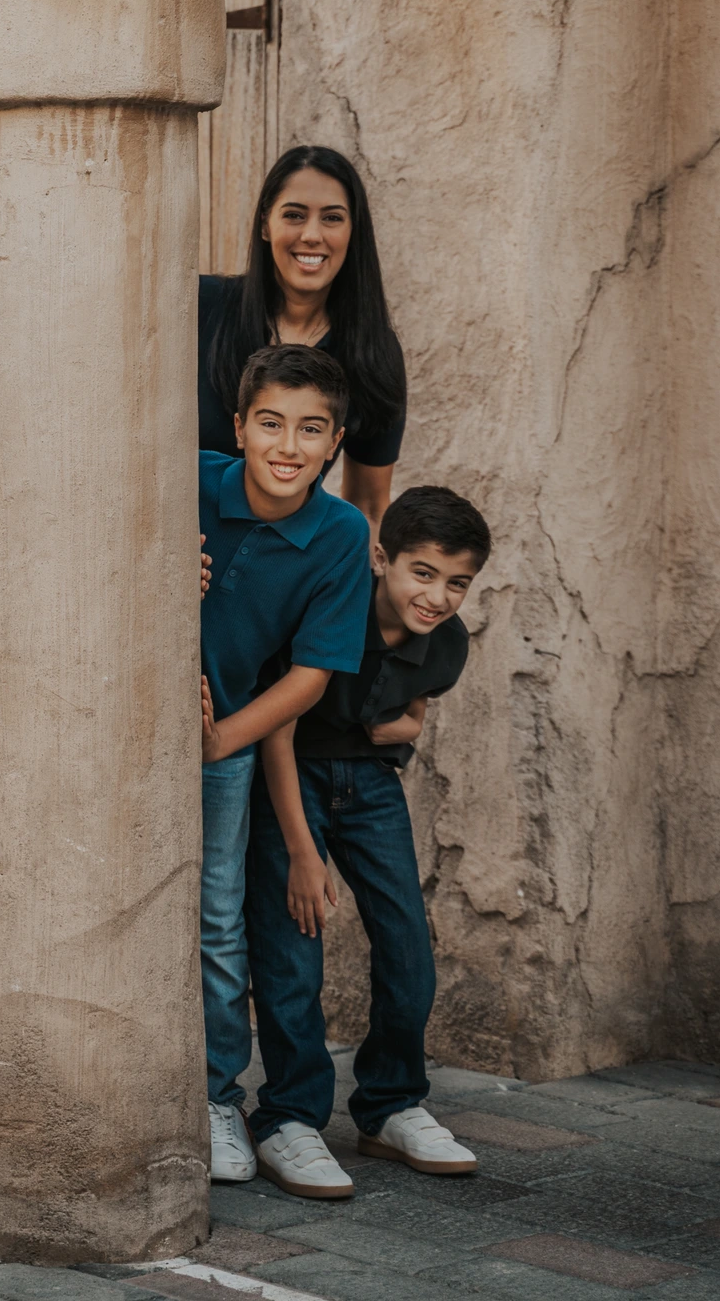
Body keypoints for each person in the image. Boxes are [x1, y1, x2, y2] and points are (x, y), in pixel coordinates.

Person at [243, 486, 492, 1199]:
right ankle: (287, 1117)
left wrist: (408, 726)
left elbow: (415, 695)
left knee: (408, 946)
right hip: (290, 777)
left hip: (370, 785)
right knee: (294, 950)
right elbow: (279, 730)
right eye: (422, 572)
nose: (437, 595)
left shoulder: (446, 639)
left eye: (455, 582)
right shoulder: (332, 603)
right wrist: (300, 851)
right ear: (381, 559)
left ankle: (389, 1106)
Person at [197, 344, 373, 1187]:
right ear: (239, 427)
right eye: (270, 423)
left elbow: (309, 676)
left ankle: (214, 1099)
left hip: (224, 740)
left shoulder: (340, 533)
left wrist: (222, 741)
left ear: (334, 441)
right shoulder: (188, 482)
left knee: (219, 922)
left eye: (311, 429)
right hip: (118, 733)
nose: (288, 444)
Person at [199, 147, 406, 541]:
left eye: (331, 218)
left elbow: (368, 507)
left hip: (283, 577)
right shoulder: (200, 308)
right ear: (265, 225)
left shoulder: (372, 352)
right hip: (177, 563)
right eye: (294, 215)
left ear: (353, 231)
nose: (312, 235)